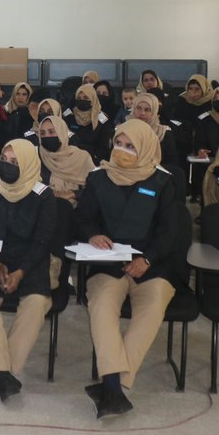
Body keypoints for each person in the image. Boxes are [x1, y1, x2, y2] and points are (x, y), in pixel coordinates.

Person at [77, 119, 184, 418]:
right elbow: (84, 218)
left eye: (130, 146)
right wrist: (92, 234)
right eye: (119, 144)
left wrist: (147, 259)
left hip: (152, 264)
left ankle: (114, 384)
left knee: (151, 308)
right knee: (101, 305)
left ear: (147, 148)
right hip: (108, 263)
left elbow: (169, 232)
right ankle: (113, 384)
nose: (122, 151)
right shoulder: (98, 177)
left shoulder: (163, 181)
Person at [0, 139, 56, 401]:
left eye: (15, 162)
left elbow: (43, 240)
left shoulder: (43, 195)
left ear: (28, 164)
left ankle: (0, 370)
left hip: (30, 263)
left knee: (37, 303)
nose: (7, 165)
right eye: (4, 160)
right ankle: (2, 374)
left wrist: (20, 272)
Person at [37, 115, 95, 208]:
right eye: (42, 133)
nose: (47, 136)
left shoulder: (81, 157)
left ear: (62, 133)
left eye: (51, 132)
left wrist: (73, 194)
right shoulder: (37, 156)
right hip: (45, 208)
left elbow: (93, 187)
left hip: (78, 211)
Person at [62, 83, 113, 162]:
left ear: (93, 99)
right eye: (79, 98)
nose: (82, 100)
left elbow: (104, 148)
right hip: (71, 160)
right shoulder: (68, 116)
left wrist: (92, 157)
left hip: (93, 161)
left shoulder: (102, 120)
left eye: (86, 98)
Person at [130, 93, 181, 172]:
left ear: (154, 111)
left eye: (147, 110)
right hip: (128, 174)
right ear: (133, 109)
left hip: (156, 175)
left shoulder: (163, 133)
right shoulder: (124, 130)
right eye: (139, 108)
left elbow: (172, 163)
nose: (142, 113)